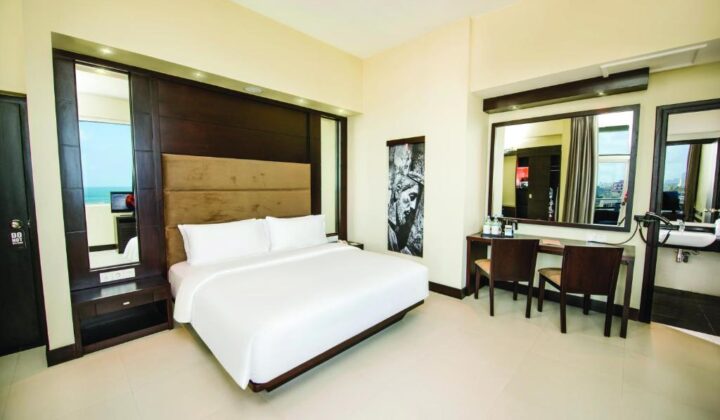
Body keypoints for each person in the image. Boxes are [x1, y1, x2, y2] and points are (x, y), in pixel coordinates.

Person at [388, 171, 423, 255]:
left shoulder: (394, 233)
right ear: (397, 192)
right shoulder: (387, 231)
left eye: (416, 201)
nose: (413, 206)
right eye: (412, 197)